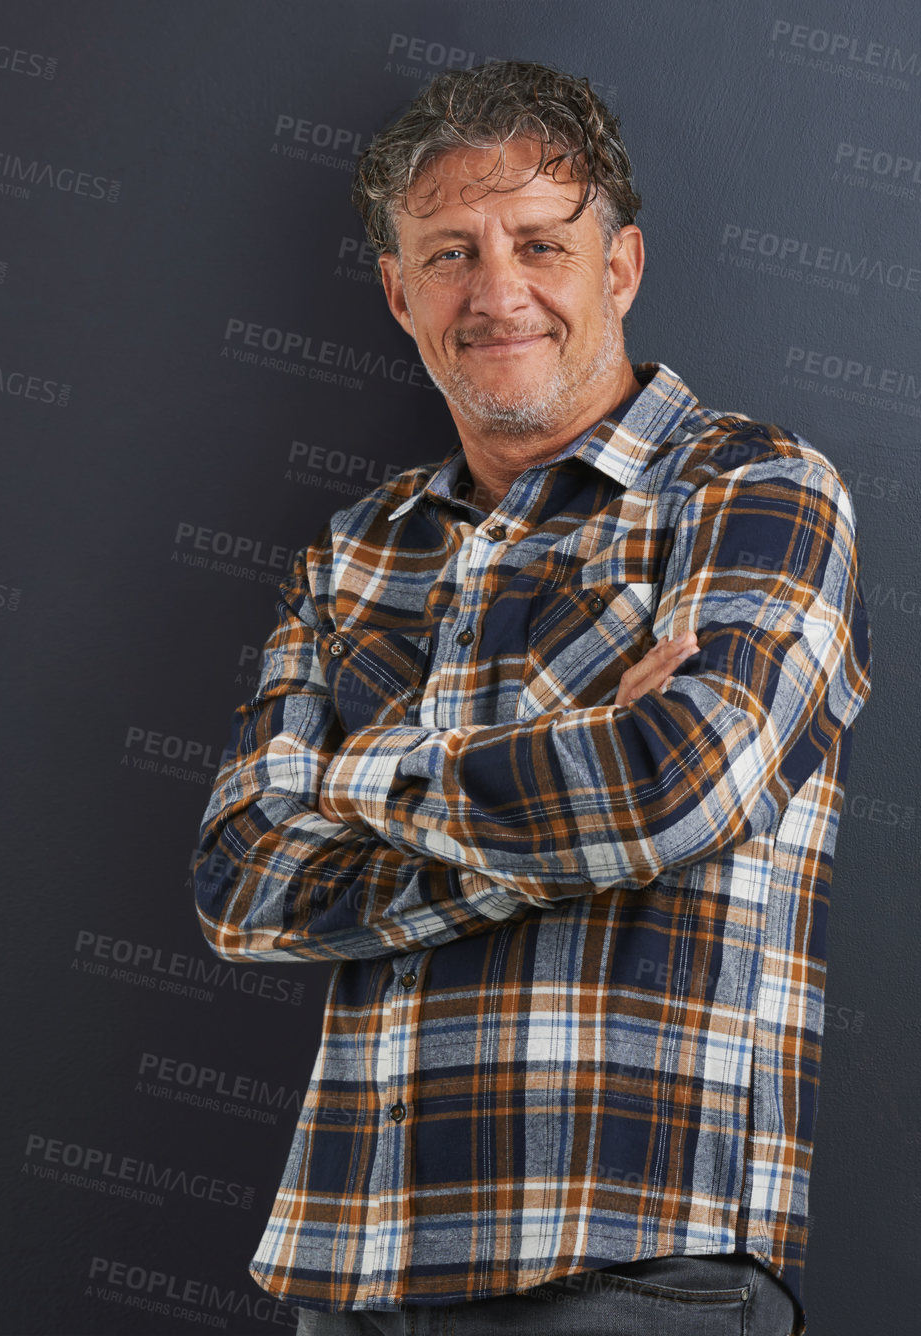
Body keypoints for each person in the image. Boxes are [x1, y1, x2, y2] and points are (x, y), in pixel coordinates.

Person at [192, 60, 871, 1336]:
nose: (495, 292)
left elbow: (675, 787)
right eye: (449, 253)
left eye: (539, 244)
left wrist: (345, 786)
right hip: (349, 1268)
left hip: (629, 1266)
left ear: (615, 268)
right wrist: (566, 779)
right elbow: (239, 882)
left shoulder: (754, 492)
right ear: (399, 293)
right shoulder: (350, 552)